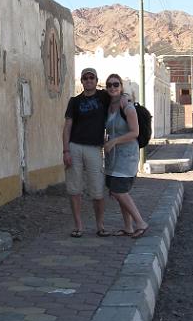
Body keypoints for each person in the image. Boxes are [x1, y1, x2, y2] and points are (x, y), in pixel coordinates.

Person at [63, 67, 117, 237]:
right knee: (74, 189)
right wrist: (65, 151)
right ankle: (78, 225)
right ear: (81, 81)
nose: (88, 80)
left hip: (95, 148)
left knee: (97, 189)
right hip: (75, 147)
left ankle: (100, 225)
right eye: (85, 78)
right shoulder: (74, 101)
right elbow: (67, 127)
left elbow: (118, 96)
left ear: (96, 80)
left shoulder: (103, 97)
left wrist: (128, 101)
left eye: (91, 77)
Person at [103, 73, 149, 238]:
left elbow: (135, 132)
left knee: (118, 191)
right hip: (113, 157)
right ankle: (128, 227)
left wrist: (114, 141)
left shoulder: (127, 107)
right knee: (118, 190)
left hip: (127, 156)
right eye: (109, 85)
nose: (112, 88)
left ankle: (140, 222)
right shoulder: (109, 107)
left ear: (121, 86)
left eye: (116, 84)